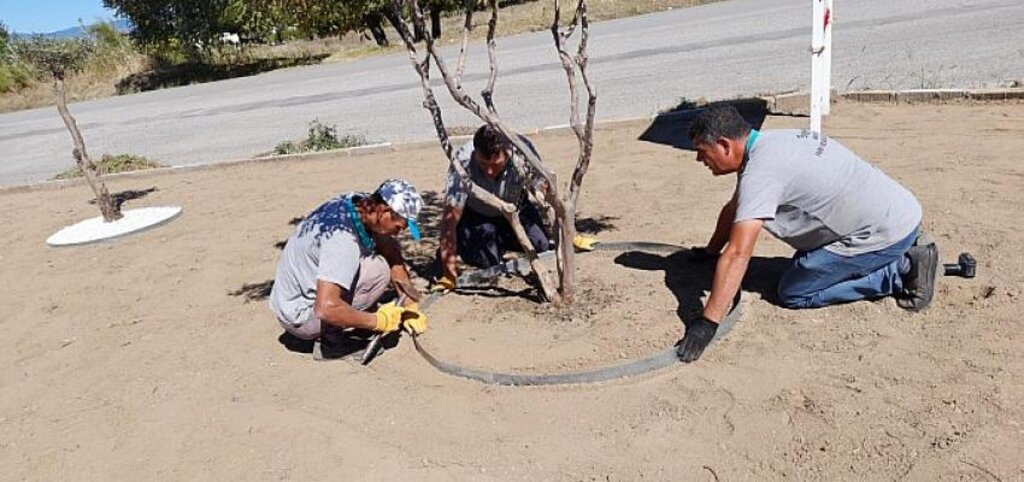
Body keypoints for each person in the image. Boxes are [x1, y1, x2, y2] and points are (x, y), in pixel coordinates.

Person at [676, 106, 938, 363]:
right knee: (806, 264)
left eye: (701, 151)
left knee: (794, 292)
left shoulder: (761, 172)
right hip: (899, 211)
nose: (700, 160)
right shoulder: (772, 143)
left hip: (884, 233)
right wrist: (710, 252)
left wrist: (707, 323)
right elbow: (734, 209)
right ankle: (899, 255)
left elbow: (738, 253)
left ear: (724, 145)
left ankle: (900, 271)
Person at [269, 179, 428, 351]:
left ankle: (350, 320)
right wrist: (378, 321)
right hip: (300, 318)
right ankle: (332, 342)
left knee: (380, 257)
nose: (400, 232)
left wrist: (410, 303)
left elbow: (391, 252)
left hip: (292, 302)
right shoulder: (343, 241)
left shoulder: (362, 205)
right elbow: (326, 308)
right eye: (398, 227)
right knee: (378, 271)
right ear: (385, 211)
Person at [433, 125, 595, 291]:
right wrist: (448, 269)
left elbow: (546, 194)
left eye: (496, 164)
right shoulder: (462, 162)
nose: (489, 171)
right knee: (488, 260)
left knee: (542, 245)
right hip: (478, 214)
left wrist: (570, 234)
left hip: (515, 208)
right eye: (483, 164)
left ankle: (500, 238)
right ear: (475, 153)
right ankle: (466, 241)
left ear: (508, 153)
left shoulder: (522, 151)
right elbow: (450, 219)